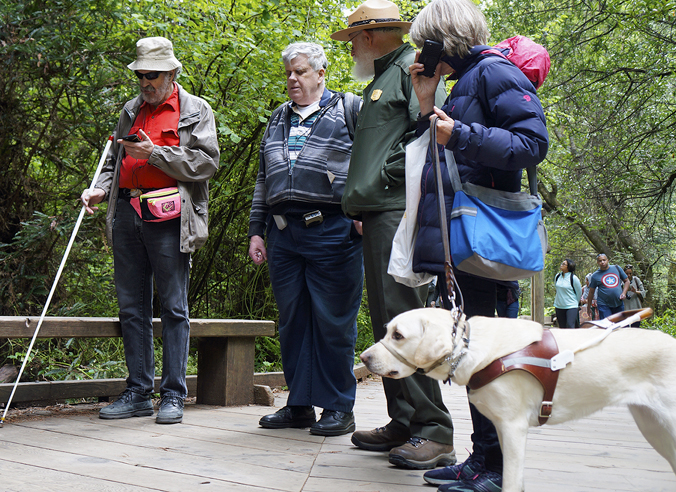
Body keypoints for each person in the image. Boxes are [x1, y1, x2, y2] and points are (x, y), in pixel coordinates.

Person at [407, 0, 549, 489]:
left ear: (443, 37)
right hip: (461, 240)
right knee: (468, 352)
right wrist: (428, 104)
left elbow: (532, 144)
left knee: (484, 355)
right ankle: (482, 458)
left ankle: (496, 468)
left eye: (425, 39)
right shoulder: (462, 82)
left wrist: (460, 132)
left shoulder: (493, 72)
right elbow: (444, 158)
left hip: (483, 237)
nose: (420, 49)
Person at [331, 0, 455, 470]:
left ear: (367, 36)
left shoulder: (409, 67)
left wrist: (386, 176)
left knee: (404, 318)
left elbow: (426, 130)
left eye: (352, 41)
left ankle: (435, 431)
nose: (350, 50)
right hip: (375, 213)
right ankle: (403, 420)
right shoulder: (382, 77)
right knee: (387, 319)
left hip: (395, 209)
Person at [80, 37, 219, 424]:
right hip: (126, 213)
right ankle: (139, 391)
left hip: (170, 215)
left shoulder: (195, 110)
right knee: (131, 307)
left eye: (152, 75)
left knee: (174, 306)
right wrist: (101, 187)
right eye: (140, 75)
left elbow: (207, 163)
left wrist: (156, 154)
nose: (145, 82)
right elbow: (113, 160)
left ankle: (173, 394)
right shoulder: (130, 110)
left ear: (172, 73)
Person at [248, 43, 364, 436]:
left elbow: (373, 160)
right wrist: (255, 231)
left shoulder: (349, 110)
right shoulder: (277, 119)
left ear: (320, 73)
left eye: (299, 72)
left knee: (333, 322)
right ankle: (298, 405)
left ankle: (338, 406)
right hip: (283, 235)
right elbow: (264, 179)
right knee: (293, 321)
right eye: (288, 74)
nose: (292, 79)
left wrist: (364, 210)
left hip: (333, 230)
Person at [587, 253, 630, 320]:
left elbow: (627, 281)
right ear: (597, 262)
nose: (602, 262)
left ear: (608, 260)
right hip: (604, 305)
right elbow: (591, 292)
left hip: (618, 303)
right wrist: (588, 306)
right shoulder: (595, 275)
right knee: (607, 324)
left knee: (621, 325)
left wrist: (624, 293)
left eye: (604, 260)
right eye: (600, 261)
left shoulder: (616, 268)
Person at [554, 259, 583, 328]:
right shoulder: (557, 276)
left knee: (570, 325)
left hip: (571, 306)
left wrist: (576, 303)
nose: (561, 265)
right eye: (562, 263)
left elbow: (579, 292)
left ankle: (572, 338)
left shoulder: (573, 278)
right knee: (562, 327)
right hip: (559, 306)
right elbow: (557, 288)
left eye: (564, 264)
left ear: (569, 267)